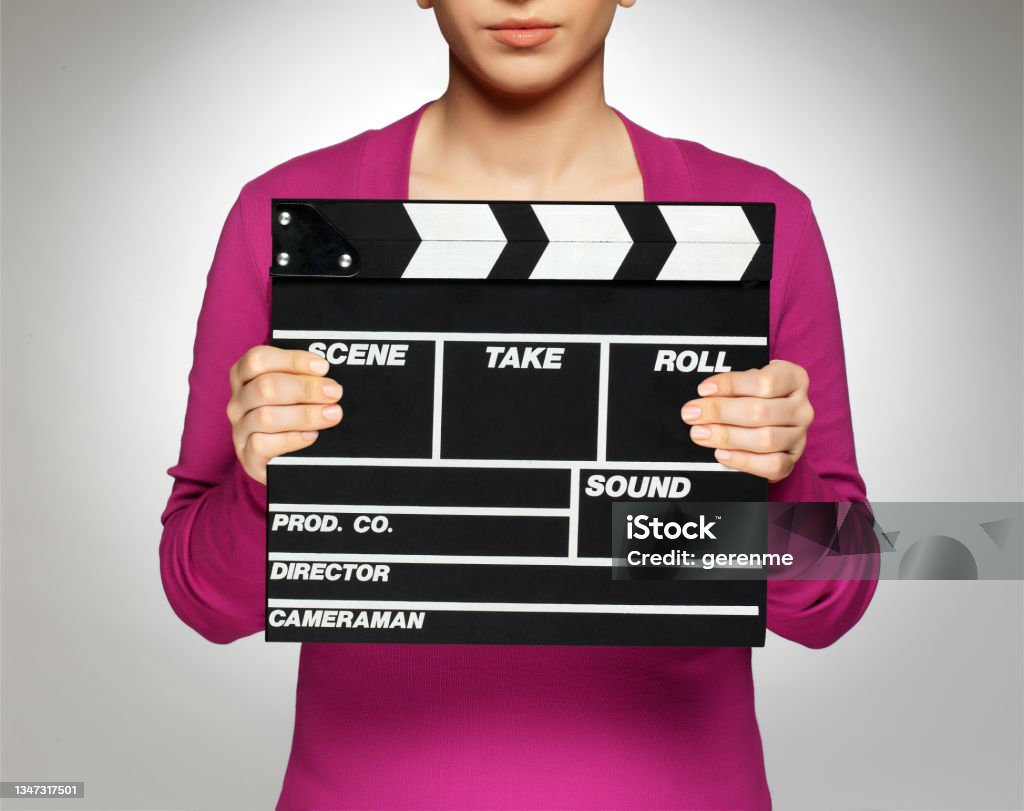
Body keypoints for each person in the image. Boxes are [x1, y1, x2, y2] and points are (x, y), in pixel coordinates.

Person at [159, 1, 880, 808]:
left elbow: (833, 597)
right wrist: (265, 483)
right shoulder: (286, 218)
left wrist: (776, 481)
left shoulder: (766, 220)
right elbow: (200, 595)